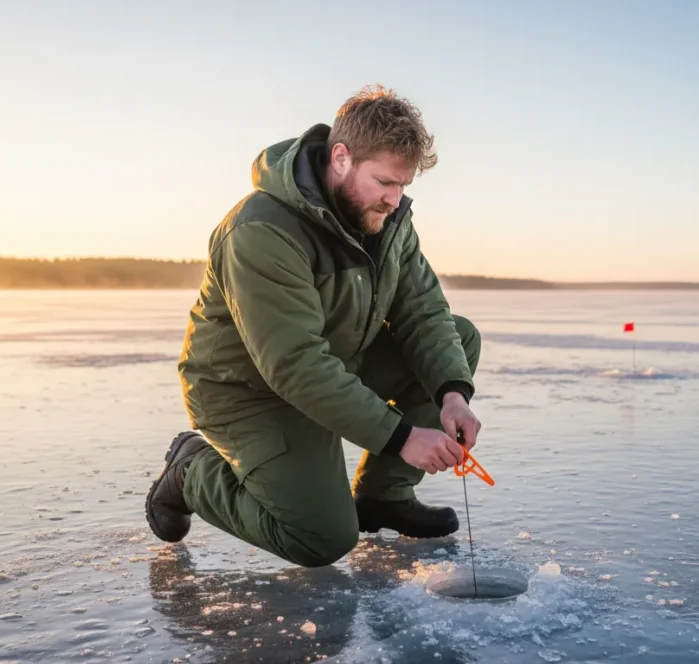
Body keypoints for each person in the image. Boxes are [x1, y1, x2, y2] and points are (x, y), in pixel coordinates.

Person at [145, 85, 483, 568]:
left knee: (458, 336)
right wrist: (405, 437)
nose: (395, 199)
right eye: (385, 182)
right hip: (247, 391)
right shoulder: (261, 229)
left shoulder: (387, 220)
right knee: (320, 538)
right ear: (341, 157)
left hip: (332, 361)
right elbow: (295, 364)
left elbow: (423, 310)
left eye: (404, 185)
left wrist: (452, 394)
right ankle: (190, 470)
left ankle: (383, 496)